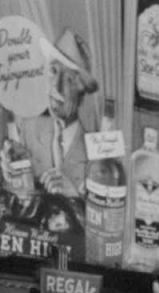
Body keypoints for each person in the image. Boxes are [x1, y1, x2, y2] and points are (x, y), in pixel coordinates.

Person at [17, 29, 98, 199]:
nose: (56, 85)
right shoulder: (27, 131)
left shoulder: (95, 153)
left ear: (81, 88)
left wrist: (75, 197)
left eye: (68, 79)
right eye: (53, 71)